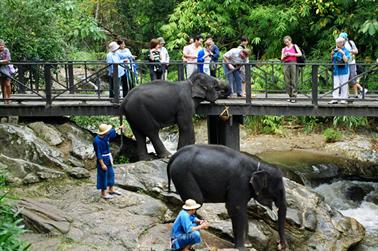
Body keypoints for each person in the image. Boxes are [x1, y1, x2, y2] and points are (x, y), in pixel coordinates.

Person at [93, 123, 124, 199]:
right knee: (103, 176)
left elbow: (112, 131)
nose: (109, 131)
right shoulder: (97, 141)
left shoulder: (106, 135)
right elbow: (98, 154)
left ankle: (111, 189)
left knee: (111, 173)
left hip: (108, 158)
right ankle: (103, 193)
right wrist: (102, 164)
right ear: (104, 132)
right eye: (107, 130)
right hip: (102, 160)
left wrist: (119, 128)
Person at [339, 32, 367, 98]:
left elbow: (356, 51)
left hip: (351, 63)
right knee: (344, 79)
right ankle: (347, 94)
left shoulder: (350, 42)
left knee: (353, 78)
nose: (341, 39)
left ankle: (356, 94)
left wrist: (350, 52)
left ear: (346, 38)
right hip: (343, 63)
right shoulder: (339, 43)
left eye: (342, 38)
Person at [281, 36, 302, 103]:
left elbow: (300, 54)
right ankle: (290, 95)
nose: (287, 43)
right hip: (286, 64)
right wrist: (284, 55)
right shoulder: (284, 49)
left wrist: (291, 54)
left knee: (294, 79)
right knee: (287, 80)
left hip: (293, 63)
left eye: (288, 41)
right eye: (285, 42)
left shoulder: (294, 46)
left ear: (290, 40)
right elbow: (281, 58)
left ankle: (294, 96)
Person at [329, 37, 351, 104]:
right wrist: (332, 54)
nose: (337, 44)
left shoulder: (346, 51)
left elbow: (346, 60)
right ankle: (335, 98)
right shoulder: (335, 50)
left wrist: (342, 53)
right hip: (336, 70)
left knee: (344, 85)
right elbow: (332, 59)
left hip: (344, 70)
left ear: (342, 43)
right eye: (337, 43)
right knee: (336, 85)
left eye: (338, 43)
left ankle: (343, 99)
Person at [0, 39, 13, 104]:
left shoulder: (6, 50)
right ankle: (4, 98)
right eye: (0, 45)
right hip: (0, 70)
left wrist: (1, 61)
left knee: (8, 84)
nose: (1, 47)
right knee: (2, 85)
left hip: (7, 69)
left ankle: (9, 98)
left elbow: (8, 60)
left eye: (2, 45)